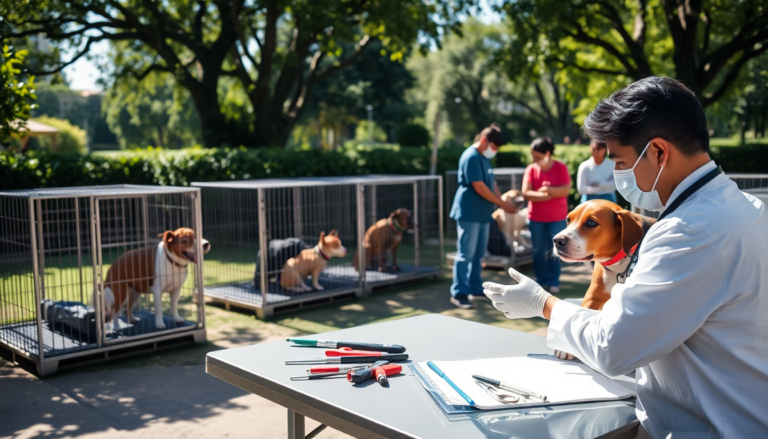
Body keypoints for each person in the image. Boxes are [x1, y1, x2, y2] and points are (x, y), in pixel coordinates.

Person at [482, 77, 768, 437]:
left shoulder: (687, 231)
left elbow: (613, 347)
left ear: (659, 152)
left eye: (620, 161)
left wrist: (543, 303)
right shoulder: (748, 207)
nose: (617, 173)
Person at [449, 125, 517, 309]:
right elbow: (479, 186)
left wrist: (502, 201)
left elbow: (491, 183)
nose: (494, 151)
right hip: (469, 212)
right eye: (493, 147)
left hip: (482, 214)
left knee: (478, 254)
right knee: (466, 254)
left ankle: (473, 287)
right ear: (485, 140)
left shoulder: (483, 159)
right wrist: (503, 204)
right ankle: (459, 292)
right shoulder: (471, 156)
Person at [522, 137, 571, 293]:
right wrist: (547, 195)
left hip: (556, 218)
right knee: (538, 250)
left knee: (555, 250)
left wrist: (548, 190)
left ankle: (553, 280)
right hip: (535, 218)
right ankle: (540, 280)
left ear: (547, 153)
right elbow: (526, 193)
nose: (535, 160)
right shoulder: (531, 169)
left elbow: (565, 190)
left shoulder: (560, 167)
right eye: (534, 157)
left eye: (538, 157)